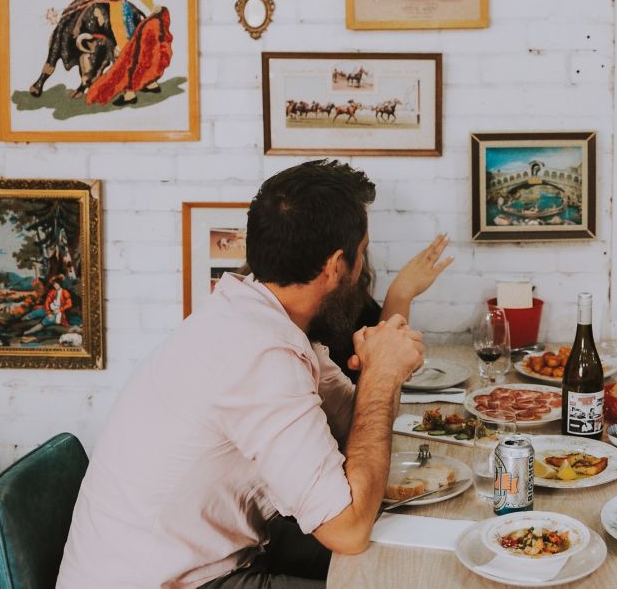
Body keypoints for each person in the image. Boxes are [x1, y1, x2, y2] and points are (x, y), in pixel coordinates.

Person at [57, 160, 425, 589]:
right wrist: (379, 378)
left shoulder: (259, 315)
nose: (363, 269)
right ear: (335, 266)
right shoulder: (260, 354)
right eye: (362, 254)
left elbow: (355, 428)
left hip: (204, 559)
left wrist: (384, 370)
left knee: (406, 557)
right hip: (172, 581)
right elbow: (347, 530)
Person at [326, 234, 453, 380]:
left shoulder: (353, 293)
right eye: (361, 249)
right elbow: (380, 369)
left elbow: (385, 351)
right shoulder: (317, 321)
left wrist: (401, 293)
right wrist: (401, 293)